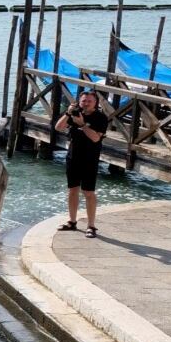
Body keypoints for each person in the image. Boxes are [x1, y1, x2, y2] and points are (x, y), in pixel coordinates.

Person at [55, 90, 109, 238]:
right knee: (72, 190)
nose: (86, 103)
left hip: (90, 159)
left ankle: (91, 226)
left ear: (95, 103)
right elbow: (58, 127)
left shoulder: (101, 118)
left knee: (88, 192)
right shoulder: (74, 113)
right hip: (73, 157)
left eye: (89, 101)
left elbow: (95, 138)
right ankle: (72, 222)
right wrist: (68, 113)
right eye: (83, 101)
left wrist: (83, 124)